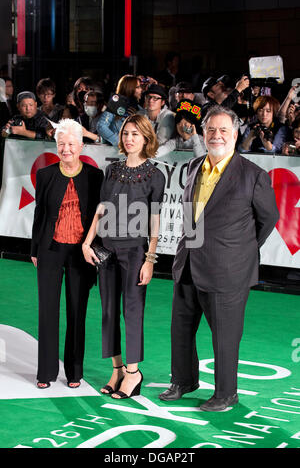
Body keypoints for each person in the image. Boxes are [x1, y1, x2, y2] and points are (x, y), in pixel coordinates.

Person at [159, 105, 279, 411]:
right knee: (181, 328)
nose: (217, 135)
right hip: (187, 262)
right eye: (211, 130)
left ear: (235, 135)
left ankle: (227, 393)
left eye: (224, 130)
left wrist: (241, 249)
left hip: (228, 270)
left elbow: (268, 219)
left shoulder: (254, 176)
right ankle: (183, 381)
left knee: (225, 336)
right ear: (203, 133)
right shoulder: (193, 166)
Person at [82, 114, 165, 399]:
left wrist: (150, 260)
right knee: (107, 311)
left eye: (135, 134)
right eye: (126, 133)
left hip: (135, 251)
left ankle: (133, 372)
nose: (129, 138)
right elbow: (101, 208)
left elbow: (155, 220)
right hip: (105, 249)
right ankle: (116, 369)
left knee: (132, 311)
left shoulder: (156, 175)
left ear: (146, 138)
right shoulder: (112, 170)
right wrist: (87, 241)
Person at [31, 118, 103, 389]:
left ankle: (74, 372)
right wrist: (34, 249)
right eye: (62, 144)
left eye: (71, 143)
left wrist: (95, 250)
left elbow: (98, 217)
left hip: (80, 254)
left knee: (77, 311)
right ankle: (45, 372)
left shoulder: (95, 176)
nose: (66, 149)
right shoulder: (46, 174)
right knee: (47, 312)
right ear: (56, 145)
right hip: (49, 250)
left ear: (81, 146)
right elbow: (39, 213)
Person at [97, 75, 143, 146]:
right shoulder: (115, 105)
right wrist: (119, 142)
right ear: (129, 89)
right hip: (116, 153)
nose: (141, 90)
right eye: (137, 87)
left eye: (140, 87)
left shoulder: (139, 109)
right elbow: (101, 126)